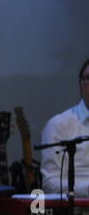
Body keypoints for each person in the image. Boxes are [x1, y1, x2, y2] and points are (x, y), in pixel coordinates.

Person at [38, 56, 89, 198]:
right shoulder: (58, 125)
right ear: (80, 84)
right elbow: (50, 184)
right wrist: (86, 189)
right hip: (77, 210)